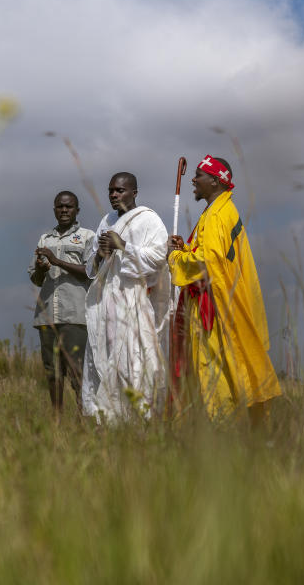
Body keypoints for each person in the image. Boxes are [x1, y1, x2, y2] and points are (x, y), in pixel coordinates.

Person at [167, 155, 282, 421]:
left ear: (216, 181)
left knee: (216, 372)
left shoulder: (218, 215)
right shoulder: (219, 210)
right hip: (221, 303)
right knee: (235, 366)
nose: (193, 180)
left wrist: (175, 259)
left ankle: (223, 433)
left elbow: (209, 262)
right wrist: (185, 247)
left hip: (214, 309)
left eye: (199, 175)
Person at [82, 172, 171, 421]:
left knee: (135, 359)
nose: (114, 195)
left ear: (134, 192)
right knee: (104, 356)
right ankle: (108, 417)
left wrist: (123, 245)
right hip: (106, 300)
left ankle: (141, 416)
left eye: (120, 190)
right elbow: (93, 263)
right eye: (111, 190)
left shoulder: (149, 220)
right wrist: (100, 254)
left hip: (133, 299)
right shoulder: (107, 220)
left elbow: (157, 258)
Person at [29, 191, 95, 413]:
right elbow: (36, 279)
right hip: (47, 315)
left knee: (77, 371)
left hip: (74, 316)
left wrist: (56, 260)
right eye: (60, 207)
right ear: (54, 210)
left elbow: (90, 272)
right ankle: (57, 421)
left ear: (77, 210)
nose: (64, 210)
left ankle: (82, 419)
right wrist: (41, 266)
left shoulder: (88, 237)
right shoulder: (45, 238)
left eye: (69, 207)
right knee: (53, 372)